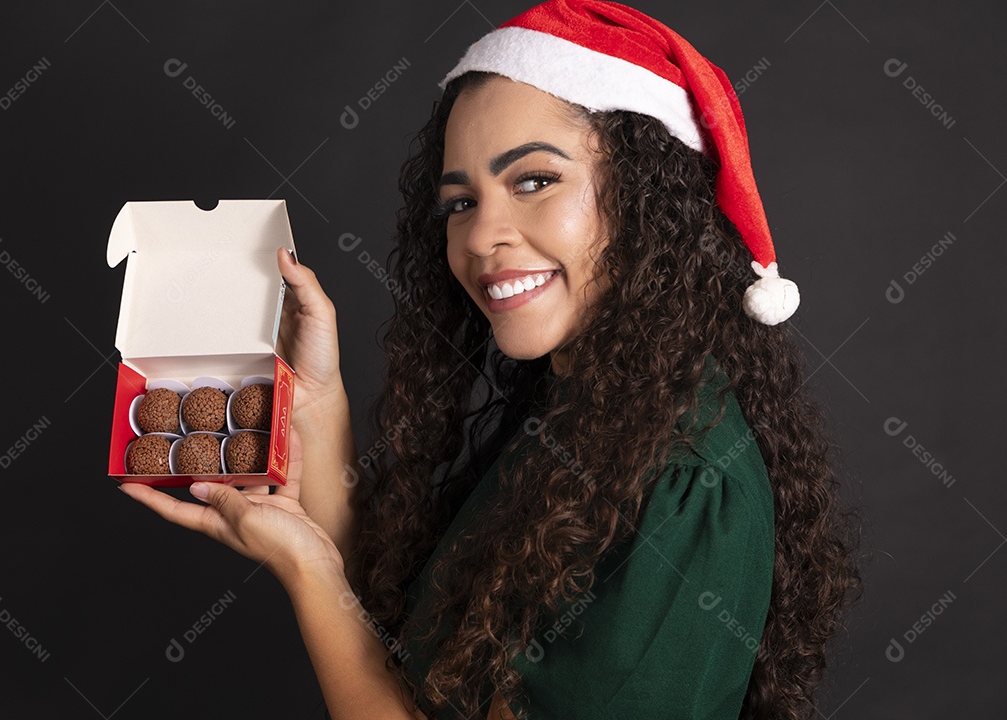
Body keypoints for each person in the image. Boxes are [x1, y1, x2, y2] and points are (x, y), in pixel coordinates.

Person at [120, 1, 862, 718]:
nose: (480, 237)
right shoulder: (583, 412)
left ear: (649, 199)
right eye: (460, 203)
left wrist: (307, 575)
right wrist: (315, 403)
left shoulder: (680, 486)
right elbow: (401, 646)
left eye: (534, 180)